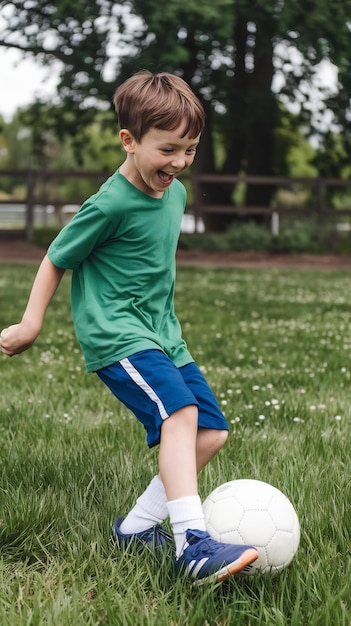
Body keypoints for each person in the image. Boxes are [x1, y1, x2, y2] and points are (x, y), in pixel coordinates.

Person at [0, 71, 258, 583]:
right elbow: (56, 257)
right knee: (179, 414)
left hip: (164, 334)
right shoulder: (110, 202)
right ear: (129, 140)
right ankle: (192, 543)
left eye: (190, 150)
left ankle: (137, 528)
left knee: (211, 432)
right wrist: (31, 323)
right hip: (117, 334)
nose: (179, 163)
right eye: (168, 149)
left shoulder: (176, 195)